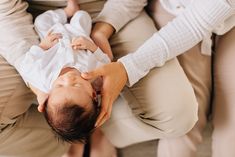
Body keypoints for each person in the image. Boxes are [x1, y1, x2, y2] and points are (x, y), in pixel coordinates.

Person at [0, 0, 198, 156]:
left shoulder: (91, 74)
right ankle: (68, 139)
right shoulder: (48, 76)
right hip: (31, 20)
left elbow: (104, 60)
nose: (68, 79)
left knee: (179, 116)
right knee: (64, 125)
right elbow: (6, 11)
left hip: (108, 10)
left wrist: (102, 33)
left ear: (95, 94)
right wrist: (33, 79)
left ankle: (97, 127)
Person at [81, 0, 235, 156]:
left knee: (231, 128)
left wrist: (127, 69)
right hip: (175, 9)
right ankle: (101, 132)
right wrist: (102, 30)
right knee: (186, 121)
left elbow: (194, 24)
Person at [19, 0, 111, 144]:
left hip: (53, 37)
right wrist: (92, 47)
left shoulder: (43, 78)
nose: (68, 79)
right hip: (78, 34)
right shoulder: (96, 78)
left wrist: (42, 47)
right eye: (77, 86)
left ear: (46, 97)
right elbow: (105, 62)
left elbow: (26, 65)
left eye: (59, 86)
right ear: (93, 94)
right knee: (83, 16)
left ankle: (66, 12)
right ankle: (74, 13)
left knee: (41, 21)